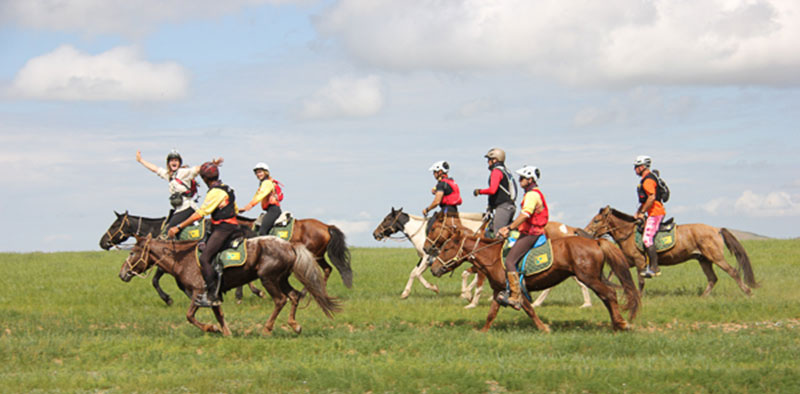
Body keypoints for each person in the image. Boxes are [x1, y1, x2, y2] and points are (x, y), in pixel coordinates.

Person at [168, 162, 240, 307]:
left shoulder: (214, 192)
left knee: (205, 258)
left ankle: (213, 295)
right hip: (228, 225)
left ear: (205, 179)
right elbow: (236, 210)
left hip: (223, 228)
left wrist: (179, 226)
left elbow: (200, 214)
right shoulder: (227, 188)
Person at [497, 165, 548, 310]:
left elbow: (526, 214)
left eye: (522, 178)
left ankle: (515, 297)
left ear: (530, 179)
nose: (519, 180)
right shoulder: (533, 193)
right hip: (529, 231)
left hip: (531, 233)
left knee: (510, 261)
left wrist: (509, 228)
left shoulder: (532, 195)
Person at [136, 150, 222, 229]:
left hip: (187, 207)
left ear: (179, 163)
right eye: (171, 160)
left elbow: (196, 169)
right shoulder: (169, 175)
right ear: (168, 163)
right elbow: (155, 169)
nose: (174, 162)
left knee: (169, 229)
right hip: (179, 209)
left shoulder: (183, 172)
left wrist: (211, 165)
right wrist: (141, 160)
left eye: (176, 160)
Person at [473, 148, 517, 238]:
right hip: (508, 206)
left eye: (489, 159)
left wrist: (479, 191)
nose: (488, 162)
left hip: (503, 207)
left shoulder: (496, 171)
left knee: (498, 235)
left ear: (495, 160)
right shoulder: (505, 170)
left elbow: (492, 190)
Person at [633, 155, 664, 278]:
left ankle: (654, 268)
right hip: (652, 212)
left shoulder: (648, 181)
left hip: (655, 213)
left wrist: (642, 212)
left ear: (642, 167)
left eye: (636, 167)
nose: (635, 170)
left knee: (647, 239)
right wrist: (639, 211)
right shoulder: (647, 179)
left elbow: (651, 197)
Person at [239, 162, 282, 236]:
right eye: (256, 173)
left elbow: (260, 196)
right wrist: (245, 208)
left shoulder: (267, 183)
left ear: (265, 172)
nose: (258, 175)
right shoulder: (264, 183)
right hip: (270, 210)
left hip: (273, 210)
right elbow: (256, 196)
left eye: (260, 172)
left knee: (262, 232)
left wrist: (249, 206)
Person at [422, 161, 462, 232]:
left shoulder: (441, 184)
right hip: (454, 210)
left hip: (446, 211)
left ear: (440, 172)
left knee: (430, 226)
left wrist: (427, 209)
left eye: (434, 172)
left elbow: (436, 202)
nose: (433, 174)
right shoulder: (450, 181)